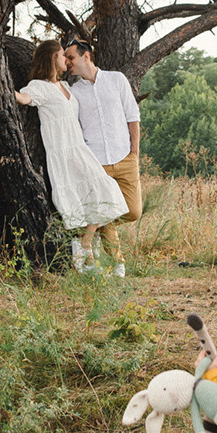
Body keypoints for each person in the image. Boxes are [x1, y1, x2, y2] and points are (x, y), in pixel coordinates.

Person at [14, 40, 130, 263]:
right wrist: (7, 90)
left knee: (104, 190)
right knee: (76, 202)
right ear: (51, 59)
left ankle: (85, 243)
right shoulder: (39, 86)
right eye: (61, 56)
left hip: (79, 148)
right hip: (61, 151)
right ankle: (85, 258)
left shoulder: (66, 87)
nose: (66, 61)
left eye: (68, 57)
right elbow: (25, 98)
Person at [62, 36, 142, 276]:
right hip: (97, 163)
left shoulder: (117, 80)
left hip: (124, 157)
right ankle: (118, 264)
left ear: (86, 56)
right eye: (65, 58)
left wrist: (135, 153)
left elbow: (132, 116)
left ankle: (89, 234)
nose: (67, 63)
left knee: (133, 211)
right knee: (104, 208)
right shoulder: (74, 92)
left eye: (71, 57)